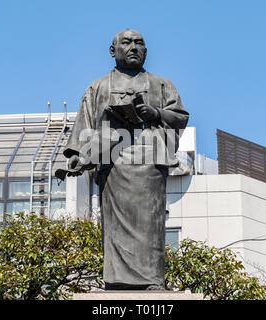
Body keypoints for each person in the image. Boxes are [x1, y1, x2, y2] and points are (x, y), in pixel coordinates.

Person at [59, 29, 189, 290]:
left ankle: (153, 280)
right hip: (112, 161)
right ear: (112, 50)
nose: (133, 47)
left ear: (146, 51)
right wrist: (75, 156)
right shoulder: (98, 87)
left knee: (150, 222)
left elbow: (180, 117)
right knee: (114, 224)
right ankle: (115, 281)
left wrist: (155, 112)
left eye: (139, 43)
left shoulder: (162, 84)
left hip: (149, 160)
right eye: (127, 43)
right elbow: (84, 122)